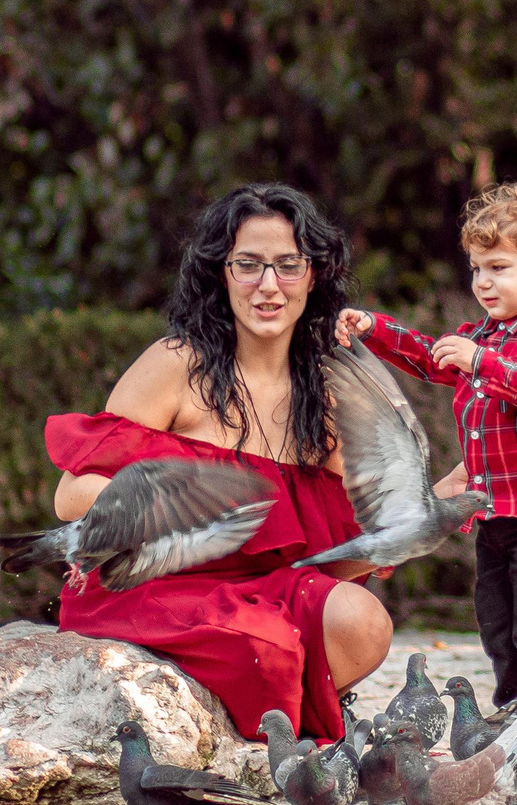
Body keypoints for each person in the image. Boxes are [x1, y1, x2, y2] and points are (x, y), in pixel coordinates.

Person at [39, 183, 392, 743]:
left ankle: (277, 716)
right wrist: (174, 504)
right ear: (220, 274)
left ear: (314, 276)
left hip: (263, 591)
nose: (268, 285)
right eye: (247, 265)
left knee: (364, 620)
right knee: (267, 644)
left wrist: (426, 520)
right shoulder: (177, 364)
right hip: (154, 586)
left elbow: (332, 565)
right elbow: (71, 496)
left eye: (288, 265)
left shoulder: (328, 397)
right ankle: (261, 727)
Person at [342, 183, 517, 708]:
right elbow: (429, 356)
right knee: (497, 624)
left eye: (499, 267)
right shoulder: (483, 334)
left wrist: (481, 362)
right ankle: (513, 712)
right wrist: (374, 329)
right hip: (495, 514)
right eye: (477, 268)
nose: (483, 281)